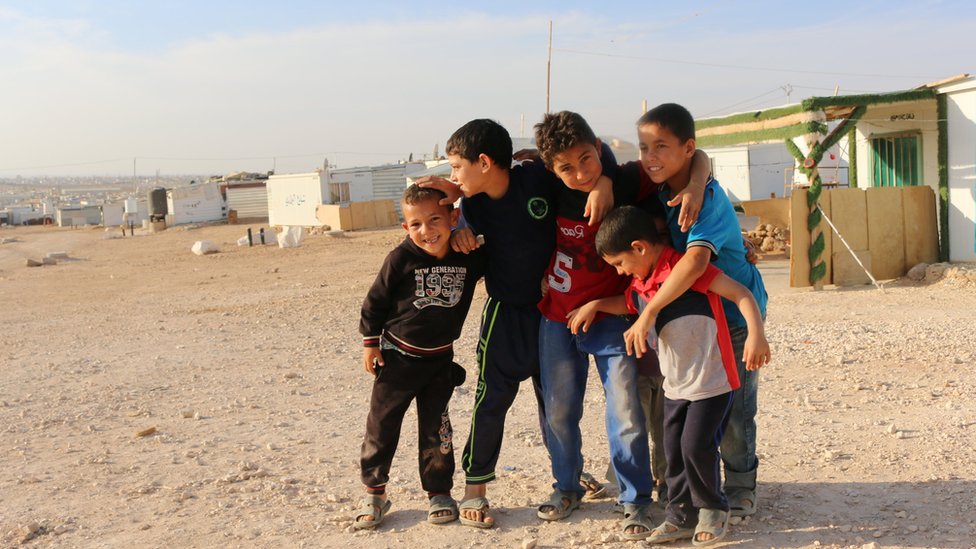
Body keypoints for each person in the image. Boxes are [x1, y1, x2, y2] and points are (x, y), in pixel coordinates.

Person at [416, 118, 618, 528]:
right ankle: (476, 488)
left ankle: (568, 478)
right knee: (491, 401)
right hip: (506, 314)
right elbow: (431, 221)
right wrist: (458, 230)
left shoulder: (537, 177)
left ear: (485, 162)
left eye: (457, 167)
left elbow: (594, 157)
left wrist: (604, 184)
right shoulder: (471, 206)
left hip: (552, 314)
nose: (453, 176)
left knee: (556, 406)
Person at [532, 111, 710, 540]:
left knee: (626, 412)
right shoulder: (545, 189)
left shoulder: (626, 179)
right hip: (557, 317)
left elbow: (698, 154)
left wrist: (696, 185)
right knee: (558, 410)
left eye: (586, 159)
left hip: (614, 317)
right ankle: (567, 486)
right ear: (551, 169)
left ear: (598, 148)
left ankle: (635, 500)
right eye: (566, 167)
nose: (580, 173)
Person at [571, 204, 770, 545]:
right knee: (673, 448)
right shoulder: (641, 284)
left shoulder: (687, 272)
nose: (620, 272)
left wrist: (756, 334)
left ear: (639, 247)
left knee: (696, 446)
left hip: (713, 383)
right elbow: (629, 302)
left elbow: (741, 294)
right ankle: (680, 516)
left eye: (619, 263)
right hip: (676, 387)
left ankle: (713, 510)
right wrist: (597, 304)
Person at [621, 103, 770, 521]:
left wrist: (648, 312)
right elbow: (697, 157)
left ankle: (741, 486)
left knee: (737, 410)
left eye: (660, 147)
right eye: (644, 146)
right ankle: (700, 493)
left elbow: (694, 263)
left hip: (736, 316)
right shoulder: (668, 186)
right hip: (699, 321)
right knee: (697, 410)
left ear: (686, 148)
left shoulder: (707, 202)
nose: (650, 156)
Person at [354, 185, 486, 530]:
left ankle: (439, 493)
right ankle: (375, 493)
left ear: (453, 218)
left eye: (434, 220)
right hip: (397, 359)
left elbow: (499, 253)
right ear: (405, 228)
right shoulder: (401, 259)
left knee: (437, 429)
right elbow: (375, 302)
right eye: (415, 225)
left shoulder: (467, 255)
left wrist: (469, 234)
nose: (426, 231)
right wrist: (371, 345)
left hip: (439, 361)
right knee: (382, 427)